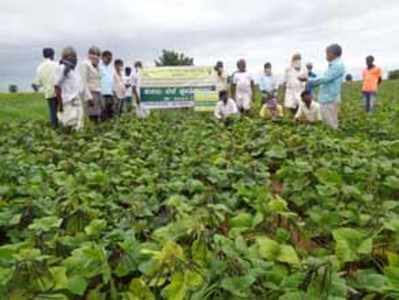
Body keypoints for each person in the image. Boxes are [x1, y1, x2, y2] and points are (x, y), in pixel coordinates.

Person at [304, 44, 345, 129]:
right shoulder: (334, 64)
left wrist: (308, 80)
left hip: (329, 98)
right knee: (330, 122)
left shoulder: (337, 65)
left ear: (332, 53)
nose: (326, 56)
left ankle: (333, 139)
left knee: (330, 124)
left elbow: (325, 79)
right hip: (329, 97)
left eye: (327, 53)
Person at [55, 47, 84, 130]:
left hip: (77, 100)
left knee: (79, 125)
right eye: (71, 56)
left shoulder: (74, 70)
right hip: (68, 101)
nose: (74, 59)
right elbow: (56, 86)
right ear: (65, 57)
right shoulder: (62, 68)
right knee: (69, 124)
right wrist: (60, 103)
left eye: (75, 56)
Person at [32, 48, 59, 128]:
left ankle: (54, 127)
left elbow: (37, 83)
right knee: (62, 111)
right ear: (52, 55)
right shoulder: (56, 65)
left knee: (52, 111)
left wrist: (37, 88)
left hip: (48, 93)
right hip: (58, 91)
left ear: (43, 55)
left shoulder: (40, 67)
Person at [80, 46, 102, 122]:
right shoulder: (85, 64)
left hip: (97, 93)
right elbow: (84, 82)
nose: (96, 56)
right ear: (89, 54)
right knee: (91, 116)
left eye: (98, 54)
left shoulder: (97, 66)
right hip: (90, 93)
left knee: (96, 115)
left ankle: (95, 132)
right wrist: (89, 97)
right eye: (93, 54)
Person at [99, 50, 114, 120]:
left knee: (110, 112)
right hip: (102, 93)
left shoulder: (110, 68)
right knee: (103, 112)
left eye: (110, 59)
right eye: (108, 59)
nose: (109, 61)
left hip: (110, 93)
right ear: (103, 57)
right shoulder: (99, 67)